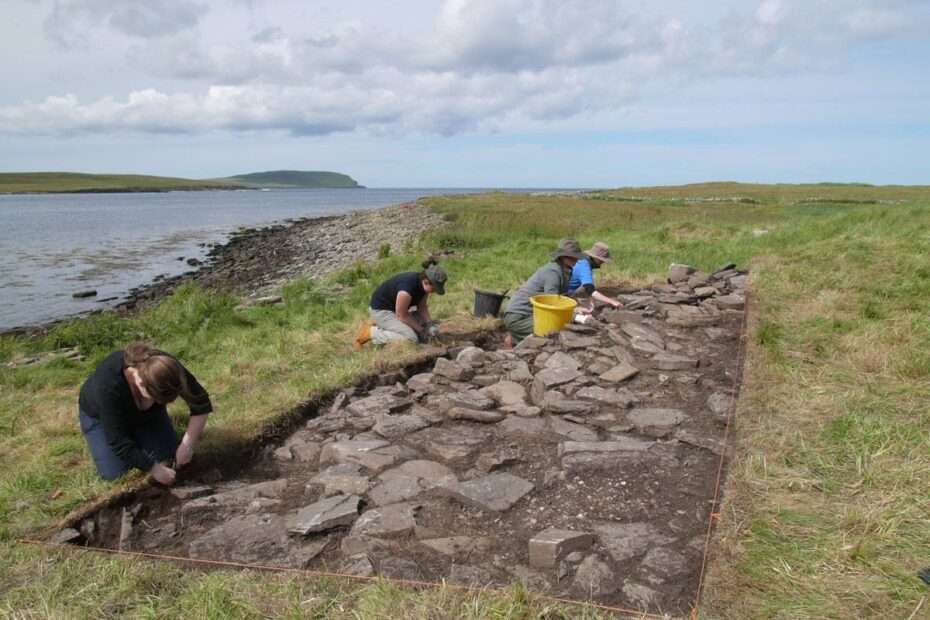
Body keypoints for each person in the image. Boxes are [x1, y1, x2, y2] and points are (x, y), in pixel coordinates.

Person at [78, 343, 213, 485]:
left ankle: (144, 435)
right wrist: (154, 469)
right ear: (141, 383)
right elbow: (118, 442)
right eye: (156, 398)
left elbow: (201, 403)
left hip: (148, 414)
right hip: (99, 417)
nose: (158, 401)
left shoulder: (166, 367)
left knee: (167, 457)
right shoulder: (108, 385)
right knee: (115, 474)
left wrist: (187, 445)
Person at [501, 239, 585, 346]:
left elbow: (561, 297)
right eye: (572, 257)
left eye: (576, 257)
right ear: (563, 257)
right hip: (519, 316)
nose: (576, 260)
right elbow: (552, 302)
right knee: (553, 331)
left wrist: (576, 305)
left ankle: (514, 340)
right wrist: (575, 314)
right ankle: (514, 343)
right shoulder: (553, 272)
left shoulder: (564, 270)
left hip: (529, 313)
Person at [354, 257, 448, 348]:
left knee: (430, 324)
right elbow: (402, 316)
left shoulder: (424, 286)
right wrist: (422, 331)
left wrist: (430, 325)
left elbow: (422, 307)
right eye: (435, 288)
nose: (435, 291)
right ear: (426, 281)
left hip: (397, 311)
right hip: (381, 312)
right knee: (411, 339)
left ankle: (387, 326)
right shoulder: (406, 290)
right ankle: (371, 332)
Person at [567, 241, 624, 311]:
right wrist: (613, 302)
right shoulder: (584, 266)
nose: (602, 262)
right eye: (601, 260)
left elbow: (587, 286)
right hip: (563, 295)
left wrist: (591, 299)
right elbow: (591, 290)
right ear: (595, 257)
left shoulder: (583, 261)